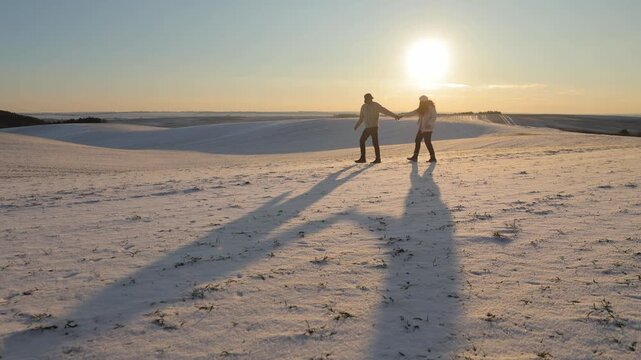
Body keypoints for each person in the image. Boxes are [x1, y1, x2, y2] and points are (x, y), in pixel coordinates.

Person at [354, 93, 399, 164]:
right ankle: (363, 158)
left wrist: (395, 116)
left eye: (371, 99)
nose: (370, 100)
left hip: (374, 127)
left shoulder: (376, 105)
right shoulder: (363, 106)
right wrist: (357, 125)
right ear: (365, 99)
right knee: (362, 141)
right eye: (369, 99)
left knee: (375, 143)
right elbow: (361, 118)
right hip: (367, 127)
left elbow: (385, 111)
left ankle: (378, 159)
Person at [400, 95, 438, 163]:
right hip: (422, 128)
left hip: (428, 128)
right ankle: (415, 156)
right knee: (417, 140)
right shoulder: (421, 108)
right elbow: (412, 113)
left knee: (427, 142)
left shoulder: (431, 107)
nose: (421, 103)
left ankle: (433, 157)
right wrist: (403, 115)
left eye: (421, 102)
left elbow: (434, 116)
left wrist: (429, 124)